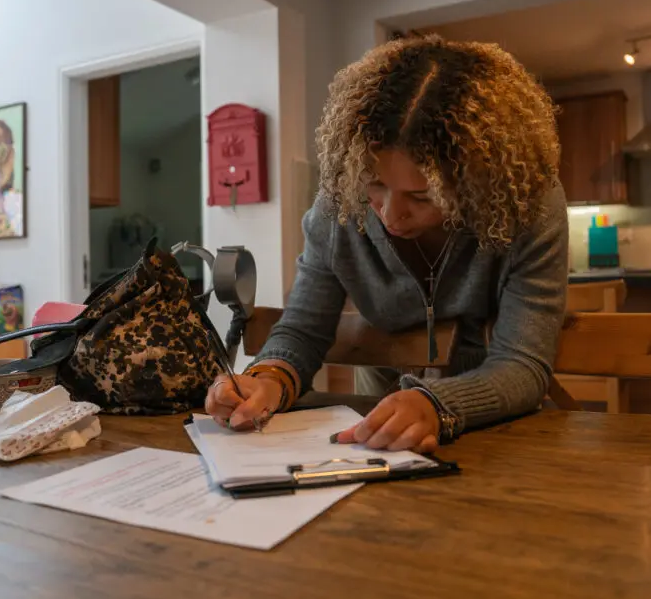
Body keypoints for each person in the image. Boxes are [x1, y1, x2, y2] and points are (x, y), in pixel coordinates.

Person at [206, 35, 568, 452]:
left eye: (423, 196)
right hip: (382, 400)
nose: (391, 215)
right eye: (375, 185)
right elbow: (304, 329)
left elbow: (522, 364)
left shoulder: (528, 204)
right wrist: (270, 378)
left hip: (496, 421)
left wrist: (437, 403)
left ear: (478, 186)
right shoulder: (339, 203)